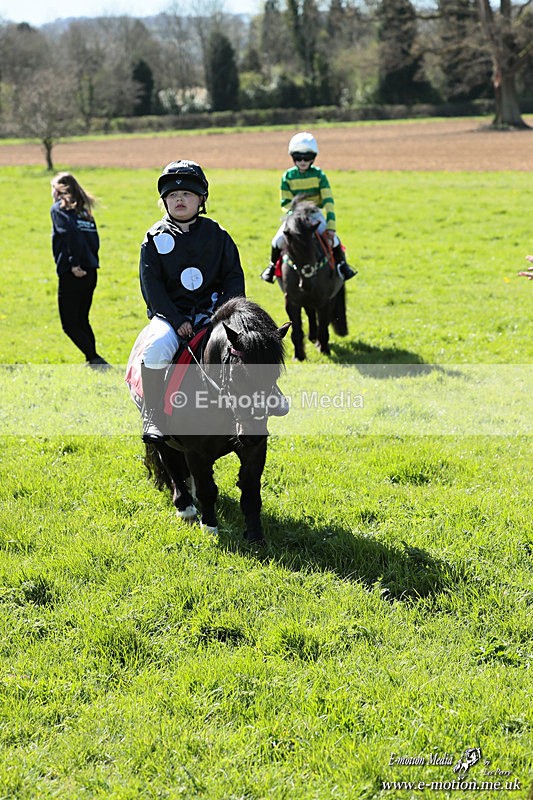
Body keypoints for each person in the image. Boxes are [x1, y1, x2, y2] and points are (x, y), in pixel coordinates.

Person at [139, 159, 246, 442]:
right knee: (155, 350)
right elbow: (152, 288)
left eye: (187, 194)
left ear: (201, 199)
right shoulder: (153, 238)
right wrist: (176, 320)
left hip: (215, 316)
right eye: (172, 195)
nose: (179, 199)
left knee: (248, 344)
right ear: (164, 201)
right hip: (171, 318)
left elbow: (234, 279)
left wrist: (222, 317)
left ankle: (268, 395)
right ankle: (154, 416)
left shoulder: (218, 235)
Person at [261, 131, 356, 283]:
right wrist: (296, 211)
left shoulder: (319, 175)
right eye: (298, 157)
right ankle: (272, 267)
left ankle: (343, 266)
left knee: (335, 241)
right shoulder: (287, 176)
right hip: (295, 215)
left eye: (307, 157)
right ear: (293, 157)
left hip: (315, 214)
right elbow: (285, 203)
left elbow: (328, 202)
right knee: (277, 240)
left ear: (314, 158)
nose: (303, 161)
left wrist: (331, 227)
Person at [50, 172, 109, 368]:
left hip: (73, 271)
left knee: (69, 323)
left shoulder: (59, 210)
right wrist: (89, 263)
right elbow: (95, 241)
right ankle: (92, 360)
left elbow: (71, 235)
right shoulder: (85, 212)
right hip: (91, 270)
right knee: (82, 319)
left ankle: (94, 358)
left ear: (60, 190)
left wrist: (74, 264)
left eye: (53, 188)